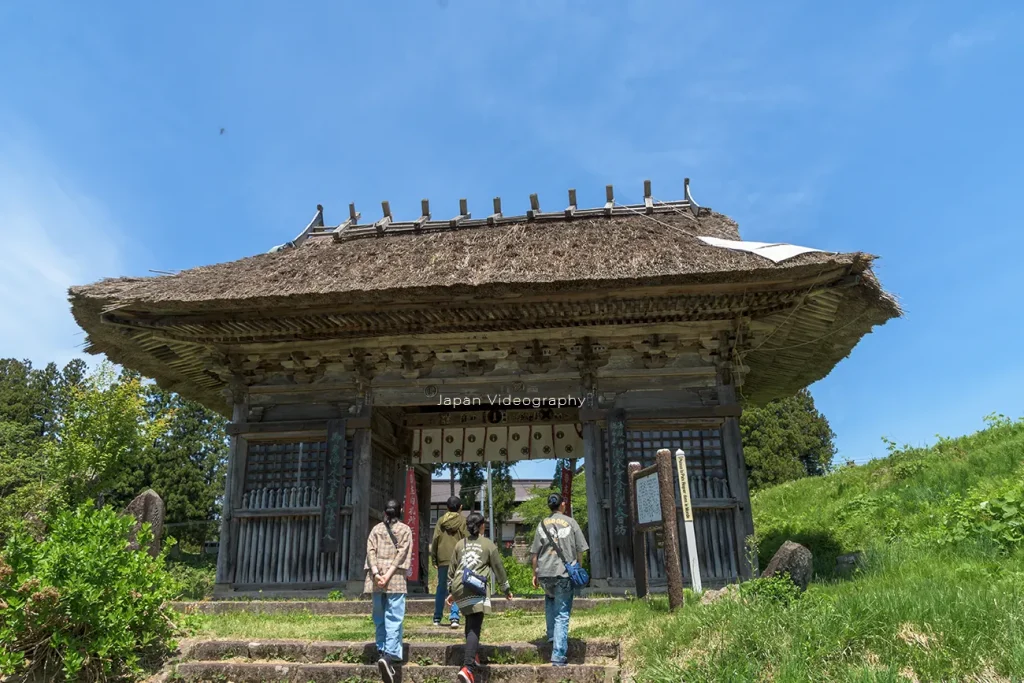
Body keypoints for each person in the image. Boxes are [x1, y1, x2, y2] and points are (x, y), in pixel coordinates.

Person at [446, 511, 513, 683]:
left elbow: (451, 570)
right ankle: (468, 668)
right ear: (482, 525)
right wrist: (506, 589)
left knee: (470, 621)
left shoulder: (461, 544)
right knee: (475, 626)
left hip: (459, 587)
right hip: (476, 587)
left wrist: (451, 592)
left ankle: (473, 653)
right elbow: (498, 568)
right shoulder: (488, 544)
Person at [530, 493, 588, 667]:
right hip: (563, 572)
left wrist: (535, 574)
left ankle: (551, 635)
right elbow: (580, 549)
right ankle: (558, 655)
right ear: (563, 504)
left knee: (550, 599)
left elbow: (534, 554)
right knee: (562, 613)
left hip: (545, 572)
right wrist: (577, 567)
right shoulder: (571, 522)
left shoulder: (541, 524)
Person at [365, 499, 412, 683]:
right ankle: (390, 656)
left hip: (376, 580)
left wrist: (377, 574)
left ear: (385, 512)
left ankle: (382, 650)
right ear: (399, 511)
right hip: (396, 579)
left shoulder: (376, 529)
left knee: (379, 616)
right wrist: (389, 574)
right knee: (394, 616)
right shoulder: (405, 530)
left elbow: (370, 551)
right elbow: (402, 554)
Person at [430, 495, 468, 629]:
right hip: (459, 558)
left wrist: (433, 557)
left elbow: (435, 539)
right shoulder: (463, 521)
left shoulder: (441, 521)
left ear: (447, 507)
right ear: (460, 508)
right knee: (457, 587)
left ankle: (437, 617)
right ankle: (454, 617)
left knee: (441, 588)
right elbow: (466, 539)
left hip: (443, 557)